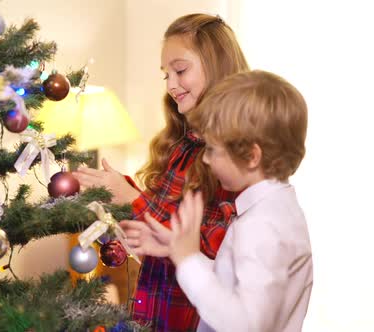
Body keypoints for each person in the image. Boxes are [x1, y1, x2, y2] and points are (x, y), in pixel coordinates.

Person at [73, 14, 249, 331]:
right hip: (154, 315)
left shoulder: (233, 155)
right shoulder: (181, 147)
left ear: (216, 66)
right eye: (165, 74)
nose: (170, 85)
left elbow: (211, 244)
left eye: (180, 70)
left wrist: (134, 198)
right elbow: (161, 233)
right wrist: (119, 199)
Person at [129, 70, 312, 332]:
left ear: (251, 156)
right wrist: (178, 251)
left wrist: (190, 261)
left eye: (212, 150)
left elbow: (247, 324)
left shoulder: (262, 225)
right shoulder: (274, 210)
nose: (204, 159)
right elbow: (237, 282)